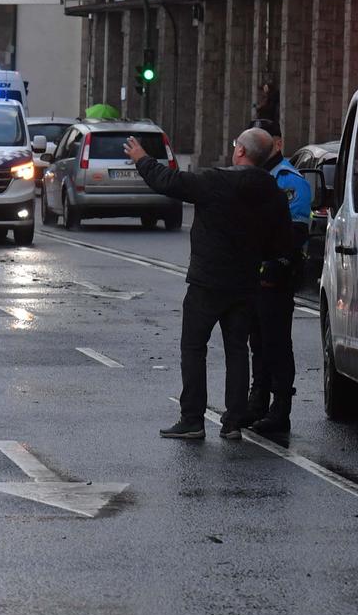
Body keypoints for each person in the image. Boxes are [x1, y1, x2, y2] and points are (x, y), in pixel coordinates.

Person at [125, 128, 284, 440]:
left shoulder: (215, 181)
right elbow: (281, 241)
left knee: (194, 347)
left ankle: (192, 418)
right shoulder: (272, 191)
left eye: (235, 143)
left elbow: (168, 182)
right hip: (245, 283)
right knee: (237, 350)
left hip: (207, 282)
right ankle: (234, 421)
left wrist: (142, 159)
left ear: (240, 151)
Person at [245, 119, 312, 437]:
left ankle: (280, 407)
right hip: (250, 274)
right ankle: (256, 401)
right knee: (256, 342)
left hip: (276, 274)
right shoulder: (249, 176)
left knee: (276, 342)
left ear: (277, 144)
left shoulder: (288, 180)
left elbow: (294, 233)